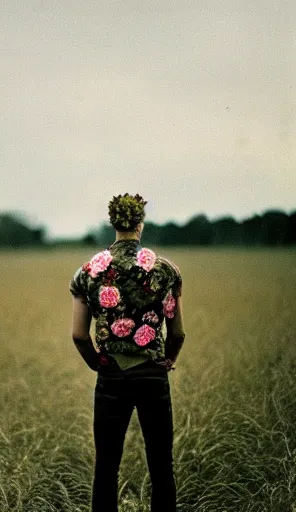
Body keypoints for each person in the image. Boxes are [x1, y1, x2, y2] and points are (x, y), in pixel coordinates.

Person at [69, 193, 186, 512]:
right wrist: (167, 360)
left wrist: (100, 364)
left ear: (113, 223)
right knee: (162, 467)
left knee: (106, 467)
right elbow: (177, 333)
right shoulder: (165, 271)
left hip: (111, 378)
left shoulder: (88, 272)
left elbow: (79, 335)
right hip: (153, 377)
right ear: (140, 224)